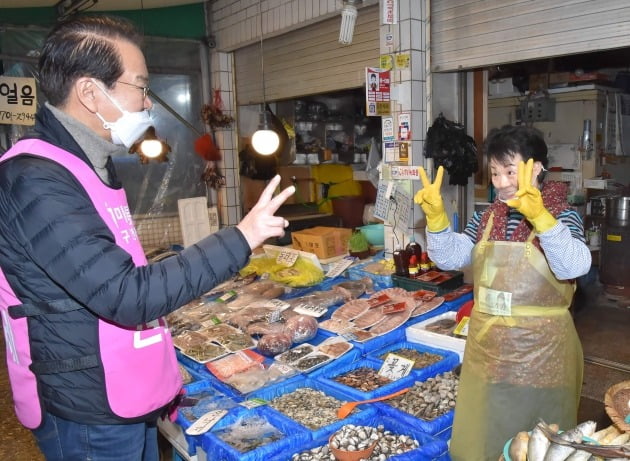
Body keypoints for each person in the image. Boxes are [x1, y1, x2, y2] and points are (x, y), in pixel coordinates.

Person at [0, 15, 295, 461]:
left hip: (122, 387)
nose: (147, 102)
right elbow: (126, 294)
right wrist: (240, 237)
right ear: (89, 92)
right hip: (86, 407)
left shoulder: (89, 163)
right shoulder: (36, 178)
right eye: (139, 86)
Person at [414, 125, 591, 460]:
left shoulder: (561, 215)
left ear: (537, 168)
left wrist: (541, 218)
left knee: (538, 440)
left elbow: (575, 266)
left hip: (542, 354)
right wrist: (436, 220)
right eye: (494, 172)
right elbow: (453, 258)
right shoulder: (487, 218)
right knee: (488, 432)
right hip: (489, 349)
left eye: (511, 171)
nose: (501, 182)